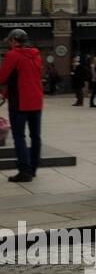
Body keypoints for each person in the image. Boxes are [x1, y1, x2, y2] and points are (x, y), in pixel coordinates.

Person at [1, 29, 45, 182]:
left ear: (14, 40)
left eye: (9, 41)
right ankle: (33, 169)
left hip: (20, 102)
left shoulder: (13, 55)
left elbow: (3, 77)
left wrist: (5, 93)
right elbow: (26, 78)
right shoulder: (37, 55)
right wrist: (5, 94)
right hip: (36, 101)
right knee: (36, 136)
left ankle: (24, 171)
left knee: (19, 136)